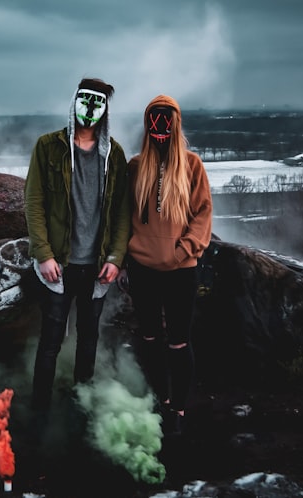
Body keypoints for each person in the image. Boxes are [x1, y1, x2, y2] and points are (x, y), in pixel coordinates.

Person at [24, 77, 131, 422]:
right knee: (51, 339)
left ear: (105, 110)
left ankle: (80, 410)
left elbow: (121, 213)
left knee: (88, 340)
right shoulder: (48, 147)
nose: (89, 108)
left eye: (97, 102)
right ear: (74, 103)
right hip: (59, 264)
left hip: (96, 267)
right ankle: (40, 411)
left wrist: (115, 258)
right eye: (84, 100)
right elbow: (34, 202)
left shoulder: (113, 154)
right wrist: (43, 254)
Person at [124, 94, 212, 436]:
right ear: (148, 125)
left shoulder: (191, 165)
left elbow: (203, 213)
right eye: (153, 121)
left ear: (175, 124)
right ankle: (158, 400)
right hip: (143, 269)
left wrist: (185, 250)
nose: (159, 128)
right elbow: (123, 215)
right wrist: (128, 252)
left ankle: (178, 408)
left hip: (181, 270)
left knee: (178, 341)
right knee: (149, 338)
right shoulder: (135, 166)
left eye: (165, 121)